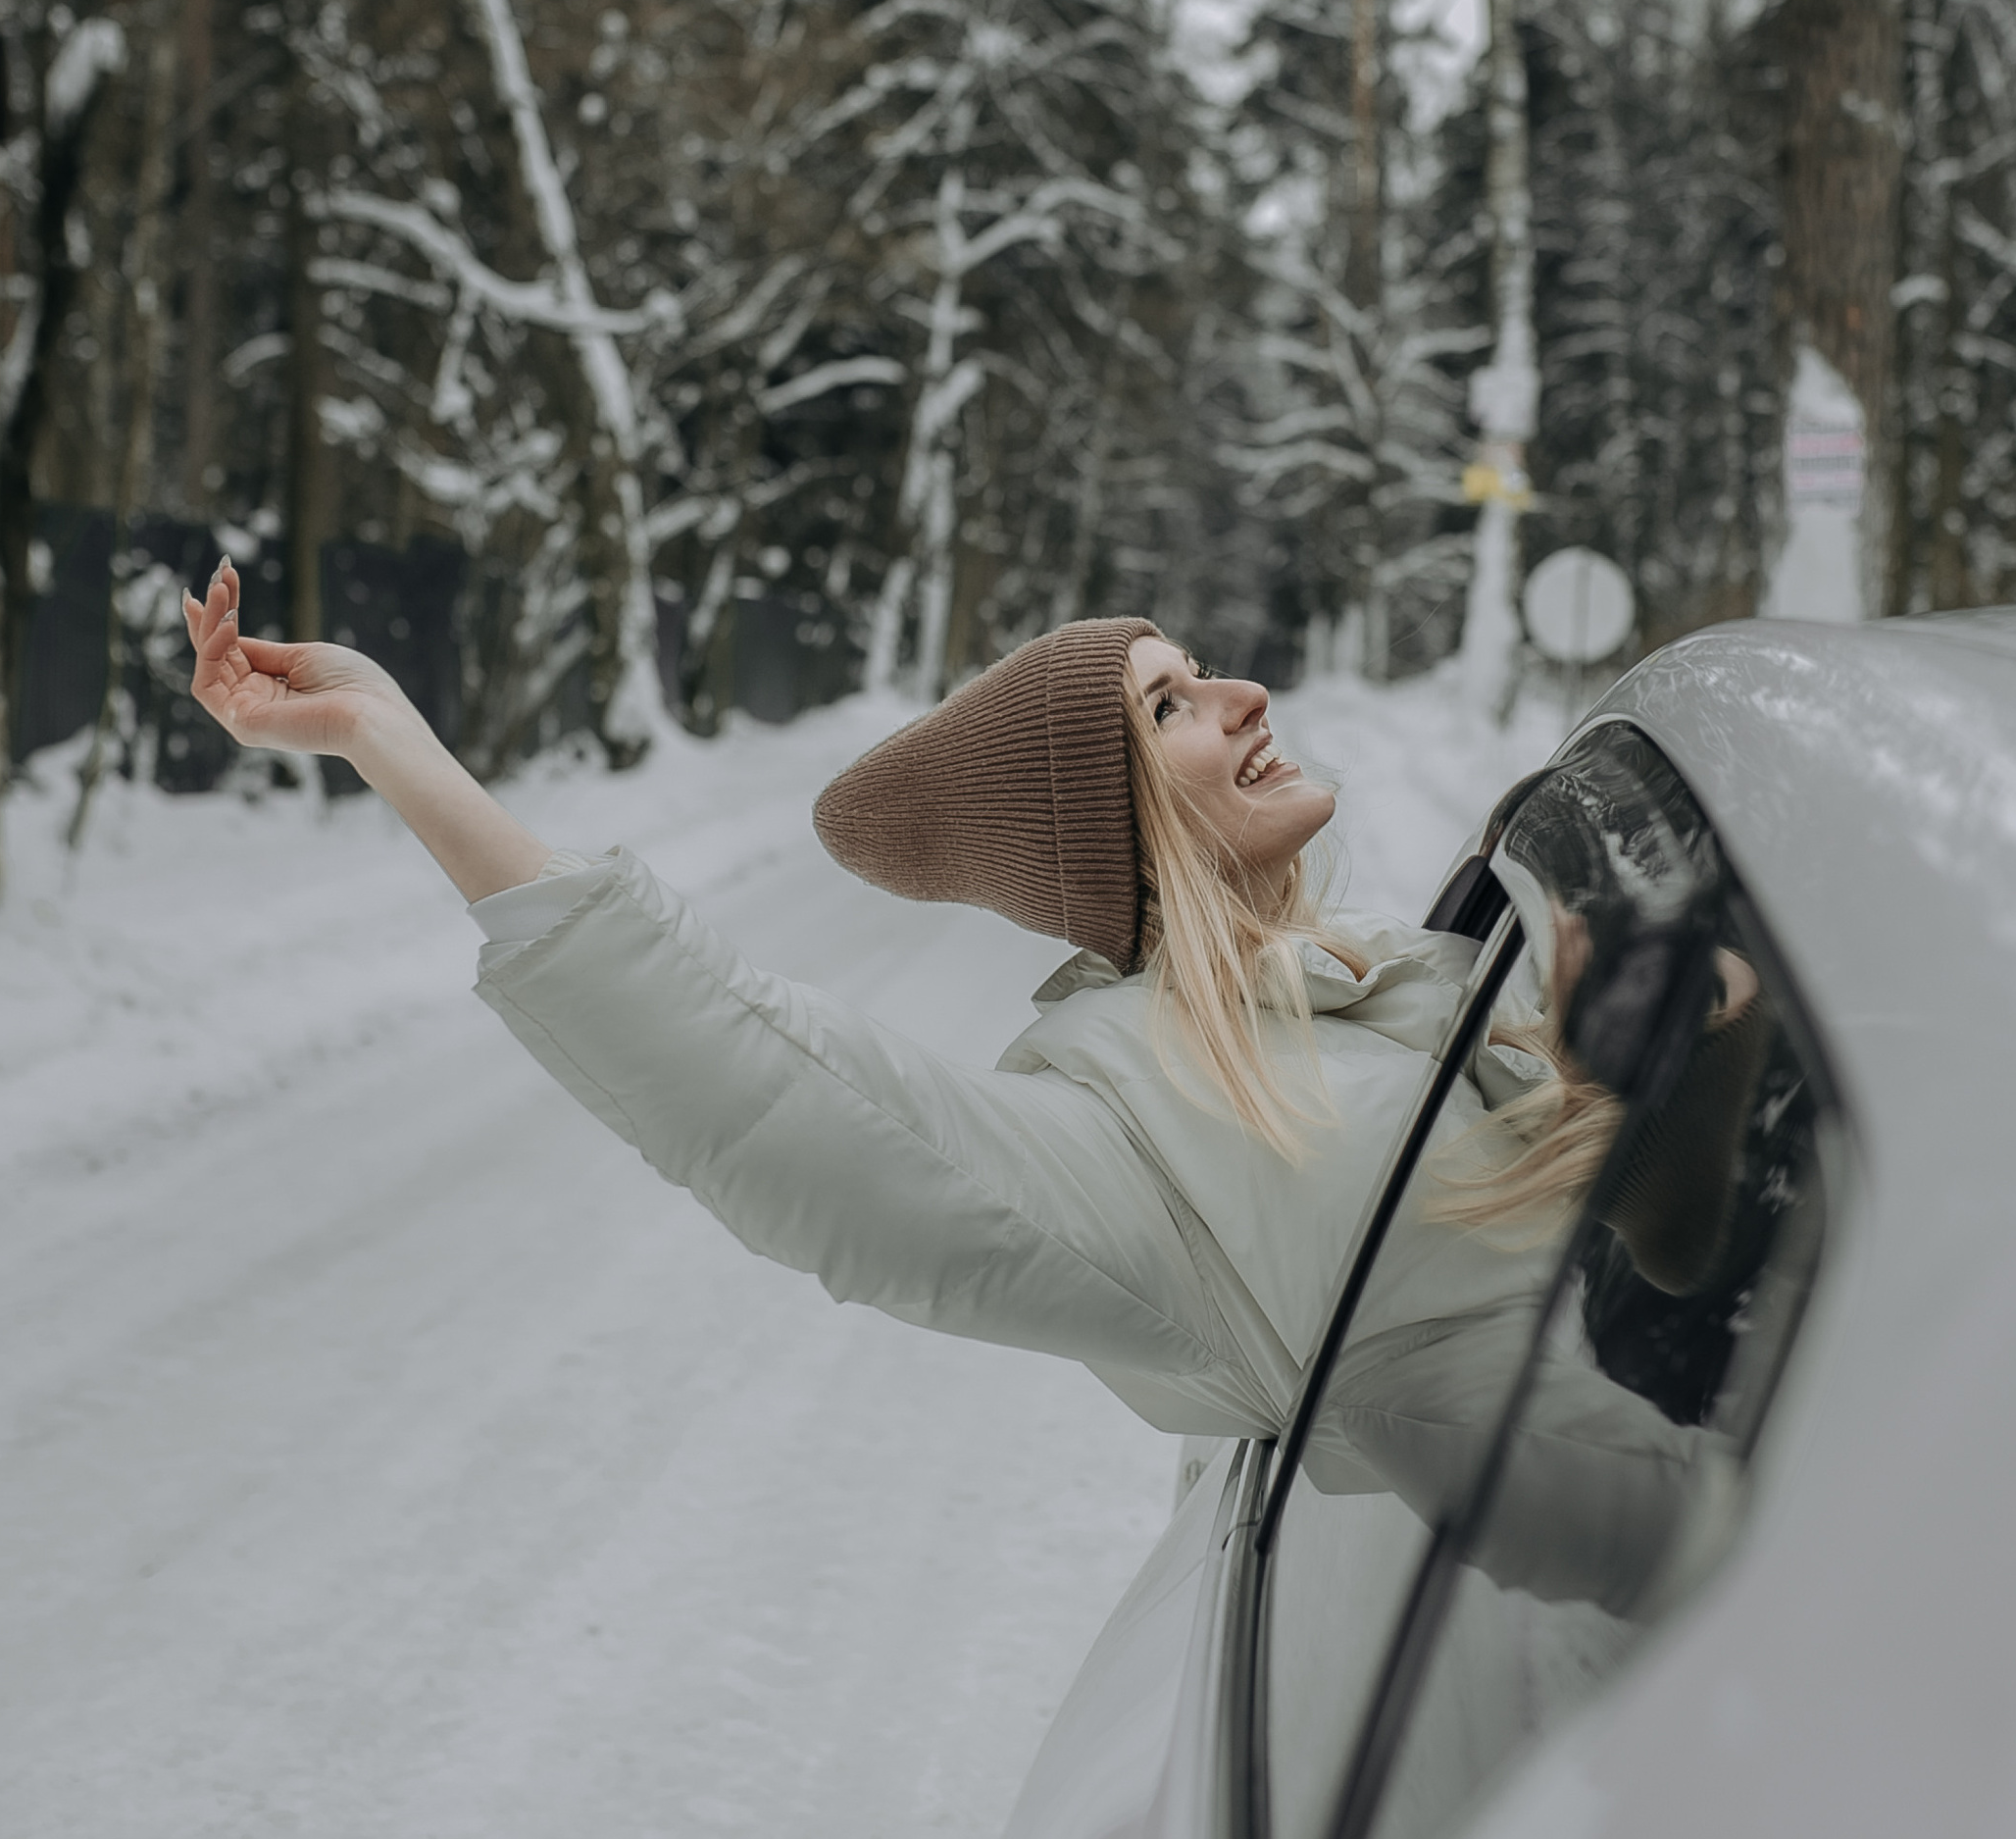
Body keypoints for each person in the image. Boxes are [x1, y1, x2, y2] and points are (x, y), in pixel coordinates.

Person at [179, 562, 1759, 1577]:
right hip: (1735, 1562)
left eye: (1200, 671)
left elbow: (1653, 1265)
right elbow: (777, 1098)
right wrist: (400, 747)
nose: (1245, 698)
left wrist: (1661, 1096)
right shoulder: (1138, 1134)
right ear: (1123, 822)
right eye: (1172, 704)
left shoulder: (1389, 987)